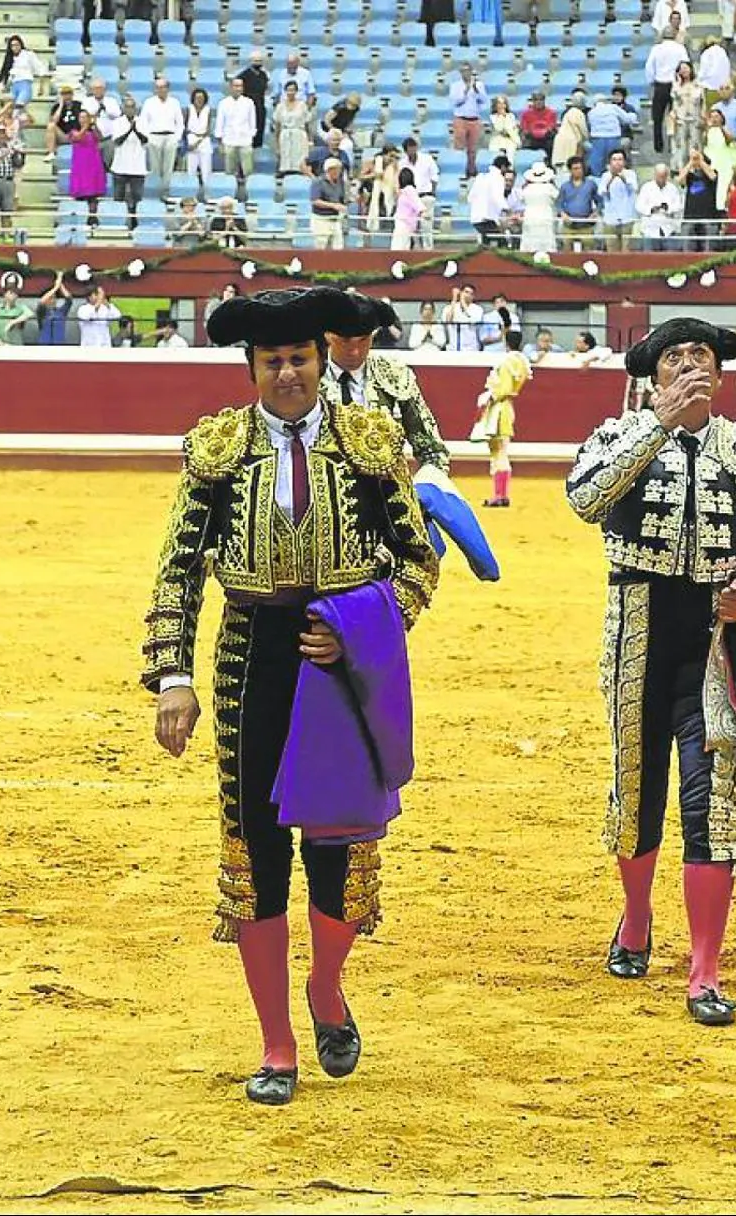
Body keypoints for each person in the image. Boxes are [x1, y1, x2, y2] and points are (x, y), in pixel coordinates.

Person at [144, 286, 440, 1106]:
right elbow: (178, 570)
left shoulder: (372, 442)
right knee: (257, 849)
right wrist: (173, 677)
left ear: (321, 359)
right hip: (251, 657)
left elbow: (417, 561)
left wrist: (363, 628)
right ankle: (277, 1045)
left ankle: (327, 987)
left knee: (341, 844)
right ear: (251, 369)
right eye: (272, 362)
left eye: (299, 359)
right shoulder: (216, 450)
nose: (287, 374)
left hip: (342, 658)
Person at [565, 319, 736, 1029]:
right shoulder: (620, 434)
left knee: (711, 801)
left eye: (701, 355)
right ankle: (636, 918)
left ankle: (704, 971)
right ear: (654, 375)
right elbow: (583, 500)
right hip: (637, 634)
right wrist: (657, 426)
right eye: (676, 357)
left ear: (721, 371)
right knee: (637, 790)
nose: (691, 365)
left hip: (714, 644)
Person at [320, 293, 449, 475]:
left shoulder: (394, 375)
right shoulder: (308, 378)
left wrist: (432, 487)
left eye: (364, 340)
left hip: (386, 494)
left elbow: (431, 449)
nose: (355, 351)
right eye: (345, 341)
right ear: (327, 336)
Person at [475, 329, 531, 507]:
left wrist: (488, 397)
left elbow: (503, 389)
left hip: (499, 409)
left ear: (506, 342)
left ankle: (500, 495)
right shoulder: (520, 361)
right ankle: (500, 494)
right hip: (507, 408)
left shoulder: (507, 362)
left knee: (499, 452)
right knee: (500, 451)